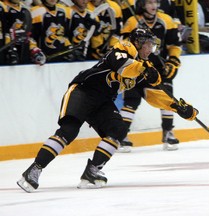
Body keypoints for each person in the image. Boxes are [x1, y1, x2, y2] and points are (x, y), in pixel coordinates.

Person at [16, 27, 198, 193]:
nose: (150, 49)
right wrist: (144, 69)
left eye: (152, 45)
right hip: (83, 91)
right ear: (138, 42)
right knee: (69, 131)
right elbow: (123, 67)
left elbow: (153, 94)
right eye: (148, 44)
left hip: (103, 100)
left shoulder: (145, 65)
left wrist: (177, 107)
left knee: (118, 130)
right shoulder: (122, 48)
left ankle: (92, 171)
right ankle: (34, 170)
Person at [119, 0, 182, 152]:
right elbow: (123, 45)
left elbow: (174, 45)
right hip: (138, 68)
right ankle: (121, 135)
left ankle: (168, 132)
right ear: (142, 5)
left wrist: (173, 62)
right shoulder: (133, 22)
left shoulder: (166, 20)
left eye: (155, 1)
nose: (153, 5)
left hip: (159, 68)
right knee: (131, 101)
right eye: (149, 2)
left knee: (166, 97)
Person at [4, 0, 46, 65]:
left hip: (24, 52)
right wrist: (9, 49)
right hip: (7, 55)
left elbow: (30, 34)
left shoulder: (25, 9)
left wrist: (34, 50)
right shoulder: (4, 8)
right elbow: (4, 33)